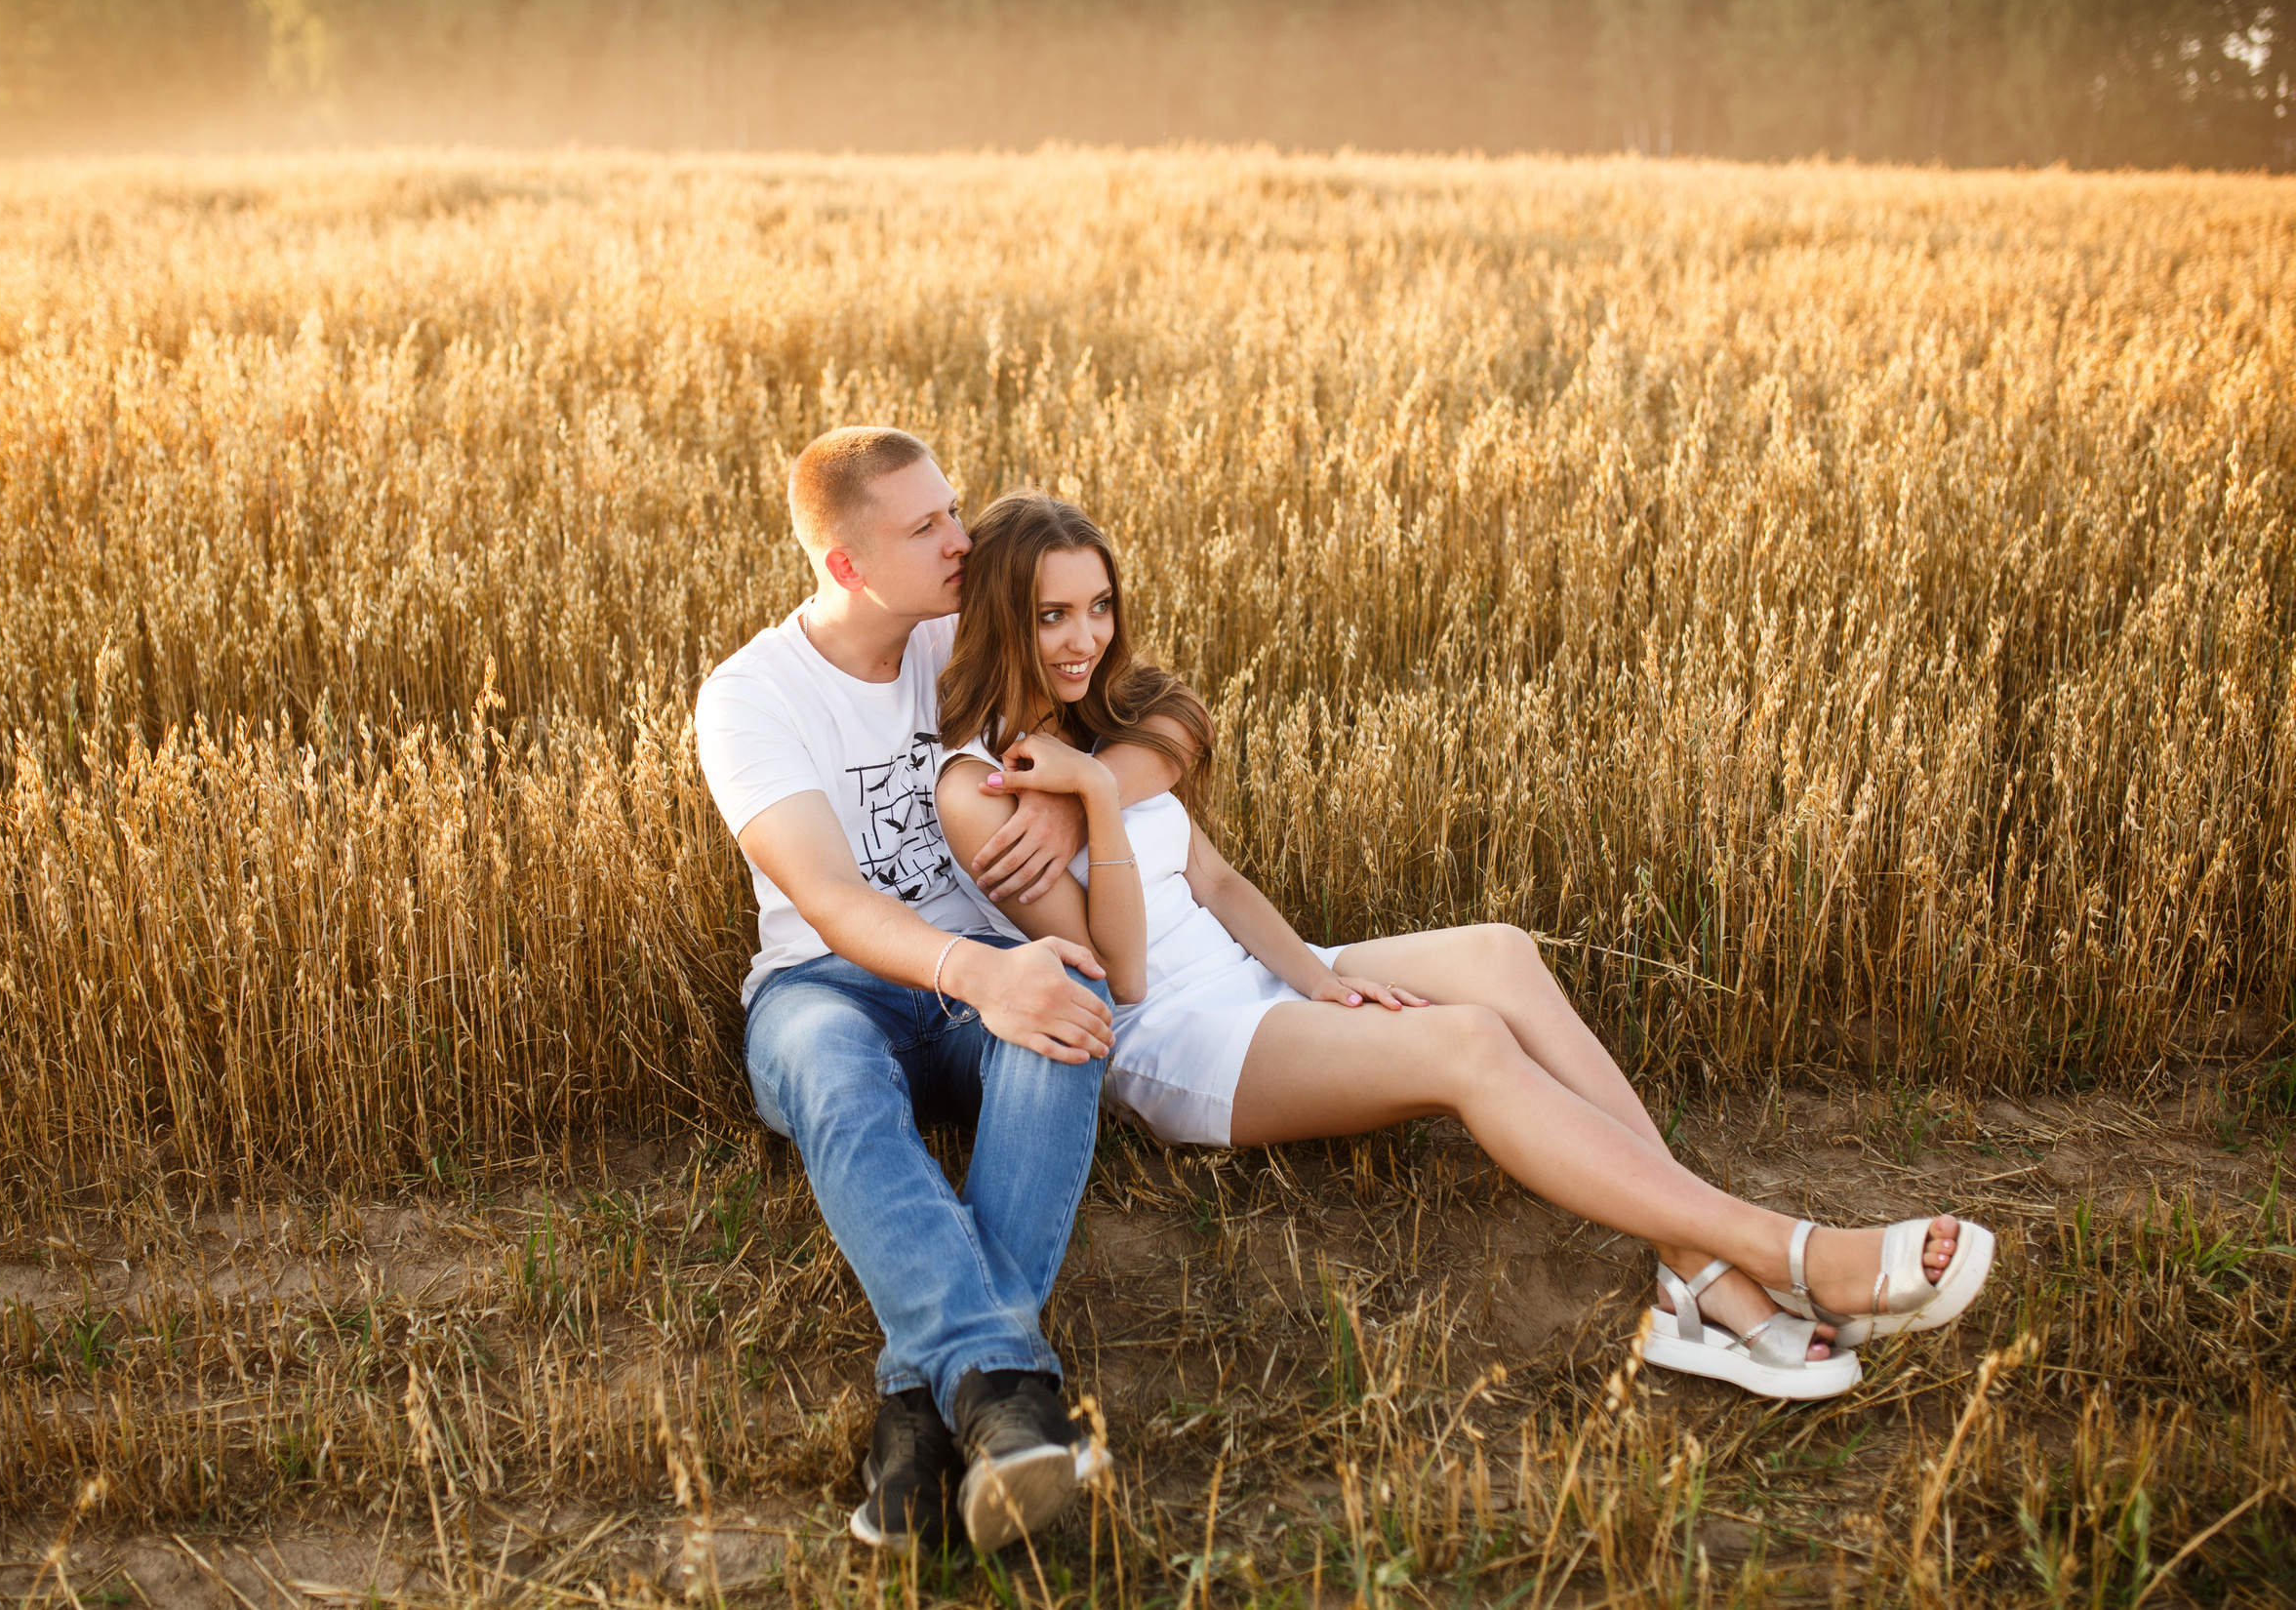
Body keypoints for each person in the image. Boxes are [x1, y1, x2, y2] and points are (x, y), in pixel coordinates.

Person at [930, 492, 1998, 1401]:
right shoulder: (979, 793)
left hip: (1257, 974)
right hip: (1172, 1038)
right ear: (999, 618)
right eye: (1053, 614)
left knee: (1495, 954)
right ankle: (1778, 1252)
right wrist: (1099, 814)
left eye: (1099, 607)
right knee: (1469, 1044)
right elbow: (1118, 975)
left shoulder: (1102, 729)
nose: (1085, 637)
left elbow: (1213, 881)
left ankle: (1693, 1272)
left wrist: (1317, 978)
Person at [693, 429, 1185, 1554]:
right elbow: (825, 896)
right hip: (827, 988)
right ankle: (1006, 1390)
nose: (964, 543)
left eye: (953, 512)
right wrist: (979, 969)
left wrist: (1077, 794)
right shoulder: (750, 697)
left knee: (1064, 1004)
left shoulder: (969, 632)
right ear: (846, 564)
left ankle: (925, 1412)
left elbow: (1166, 710)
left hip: (983, 977)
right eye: (927, 530)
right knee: (832, 1070)